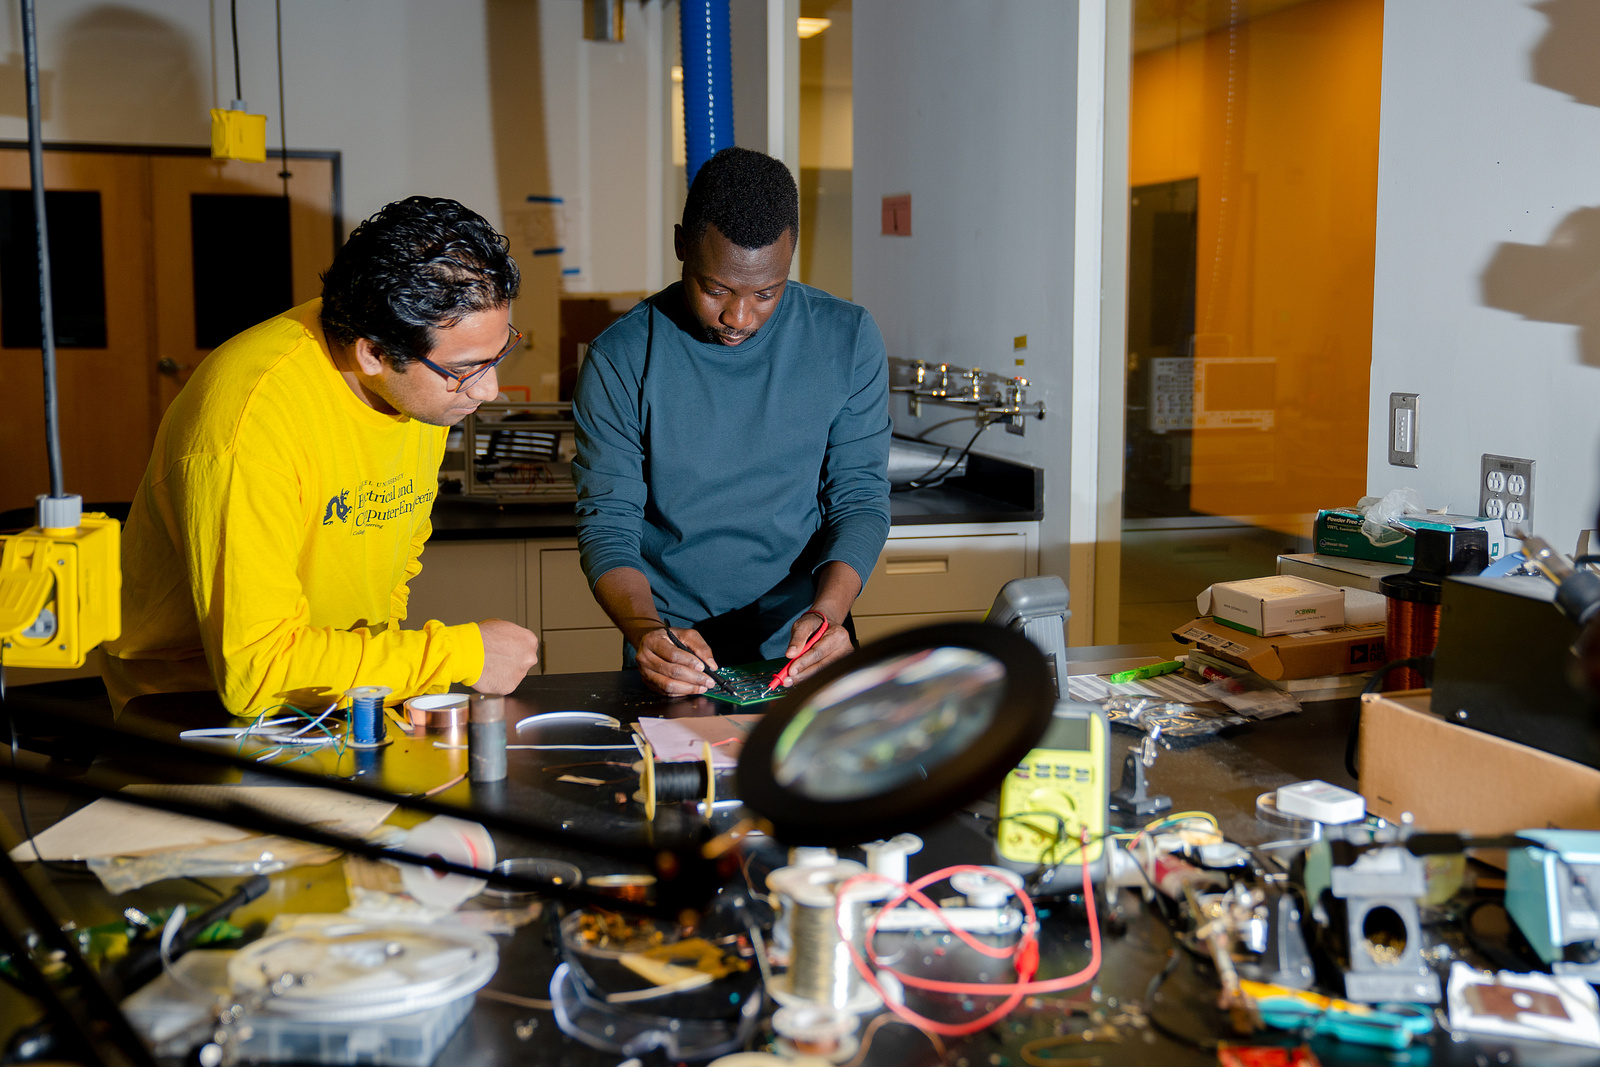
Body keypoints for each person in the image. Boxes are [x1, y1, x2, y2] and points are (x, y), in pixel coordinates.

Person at [103, 197, 541, 715]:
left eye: (497, 355)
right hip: (193, 708)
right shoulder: (250, 421)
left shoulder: (423, 387)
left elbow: (396, 557)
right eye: (468, 367)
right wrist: (456, 653)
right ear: (373, 354)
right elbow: (256, 669)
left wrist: (380, 673)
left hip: (341, 691)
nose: (488, 390)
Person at [573, 147, 891, 696]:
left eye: (766, 293)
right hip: (675, 642)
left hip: (802, 636)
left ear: (791, 257)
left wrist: (830, 613)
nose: (738, 318)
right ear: (681, 246)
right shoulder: (622, 356)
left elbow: (859, 497)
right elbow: (608, 522)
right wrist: (648, 630)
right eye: (715, 289)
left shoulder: (847, 338)